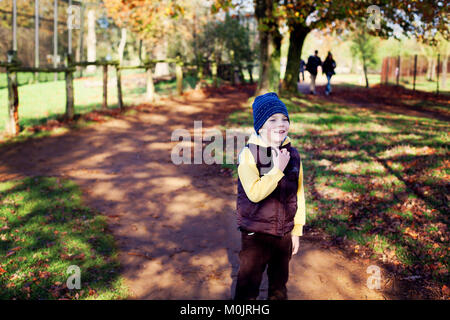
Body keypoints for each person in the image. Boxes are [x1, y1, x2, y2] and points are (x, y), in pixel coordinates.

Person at [234, 92, 306, 300]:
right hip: (255, 234)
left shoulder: (293, 155)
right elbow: (255, 193)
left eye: (284, 119)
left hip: (283, 233)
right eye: (272, 119)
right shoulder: (249, 154)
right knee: (248, 285)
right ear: (261, 127)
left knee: (279, 285)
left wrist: (296, 231)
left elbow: (299, 194)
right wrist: (277, 170)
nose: (280, 123)